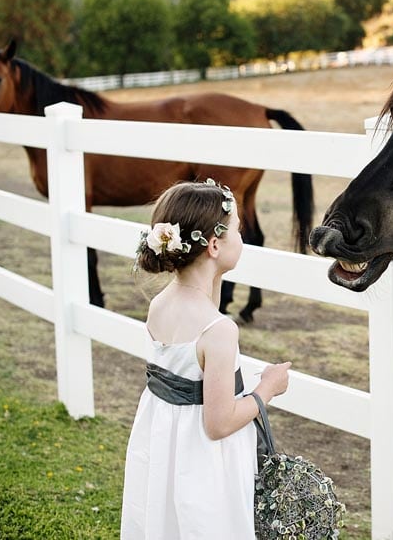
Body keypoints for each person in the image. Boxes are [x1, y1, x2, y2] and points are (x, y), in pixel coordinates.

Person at [121, 179, 291, 539]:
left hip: (165, 450)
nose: (242, 239)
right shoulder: (218, 330)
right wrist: (266, 390)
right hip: (202, 461)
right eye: (238, 232)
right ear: (214, 245)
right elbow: (219, 423)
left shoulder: (160, 304)